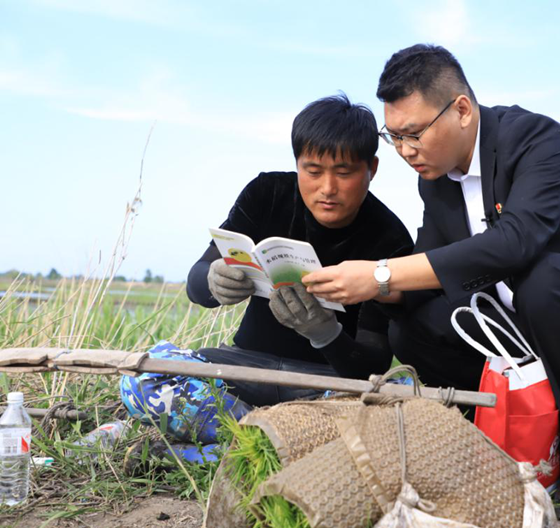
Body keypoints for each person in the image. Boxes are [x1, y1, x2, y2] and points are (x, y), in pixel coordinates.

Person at [302, 45, 560, 520]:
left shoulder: (539, 141)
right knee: (412, 326)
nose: (404, 151)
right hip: (521, 334)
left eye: (414, 134)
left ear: (461, 109)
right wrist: (362, 286)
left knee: (545, 278)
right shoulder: (435, 179)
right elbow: (439, 267)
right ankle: (485, 437)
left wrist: (382, 272)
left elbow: (515, 243)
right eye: (394, 137)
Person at [119, 94, 413, 451]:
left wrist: (324, 333)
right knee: (144, 375)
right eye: (313, 171)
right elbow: (196, 284)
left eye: (344, 172)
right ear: (297, 163)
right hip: (241, 368)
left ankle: (231, 448)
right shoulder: (267, 193)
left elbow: (374, 361)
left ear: (372, 169)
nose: (327, 188)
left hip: (323, 385)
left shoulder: (391, 239)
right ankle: (267, 442)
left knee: (387, 413)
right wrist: (213, 280)